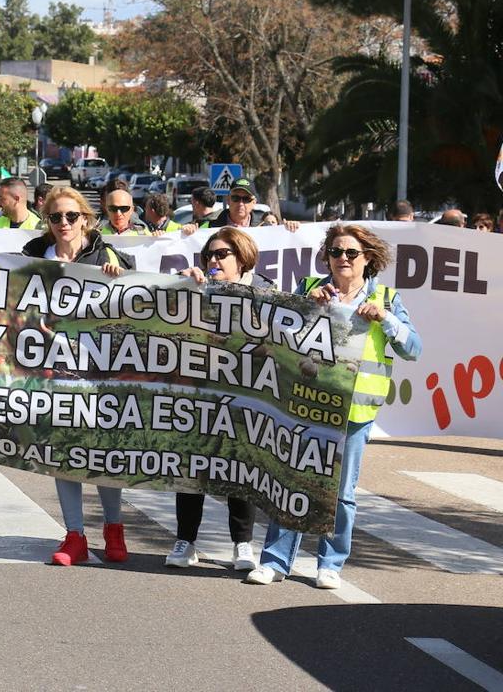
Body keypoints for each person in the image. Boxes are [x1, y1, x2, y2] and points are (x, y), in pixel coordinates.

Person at [246, 223, 421, 589]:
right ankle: (276, 561)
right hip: (305, 404)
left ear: (367, 258)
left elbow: (413, 348)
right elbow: (279, 335)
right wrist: (309, 310)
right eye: (336, 252)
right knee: (292, 480)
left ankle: (330, 564)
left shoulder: (387, 299)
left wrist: (385, 320)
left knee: (341, 492)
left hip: (354, 412)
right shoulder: (311, 289)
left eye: (351, 253)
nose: (342, 259)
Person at [20, 187, 134, 565]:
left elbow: (143, 299)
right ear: (47, 222)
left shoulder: (108, 255)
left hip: (101, 371)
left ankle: (114, 529)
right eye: (56, 218)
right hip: (53, 370)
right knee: (63, 451)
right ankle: (75, 536)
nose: (64, 224)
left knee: (103, 450)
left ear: (85, 218)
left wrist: (121, 277)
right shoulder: (34, 256)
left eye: (71, 216)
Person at [167, 227, 270, 571]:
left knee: (239, 469)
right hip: (198, 394)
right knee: (192, 470)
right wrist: (180, 284)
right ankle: (186, 541)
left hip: (243, 396)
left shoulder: (265, 292)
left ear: (242, 258)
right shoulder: (196, 286)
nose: (213, 260)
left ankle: (242, 544)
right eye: (209, 255)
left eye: (221, 254)